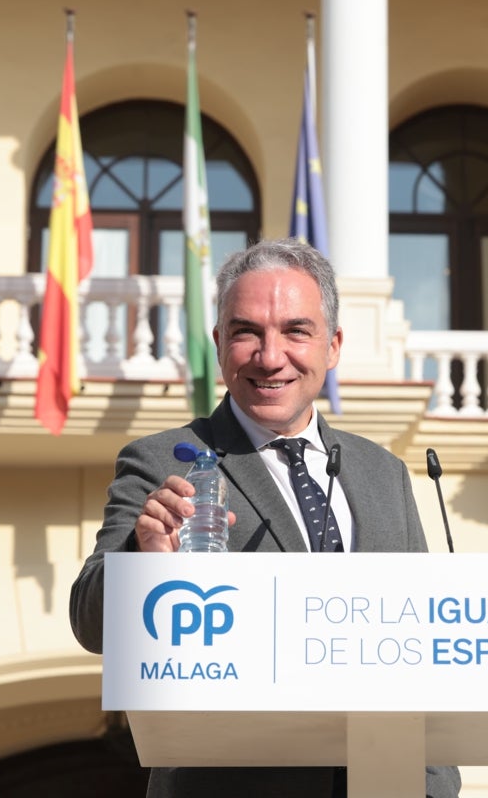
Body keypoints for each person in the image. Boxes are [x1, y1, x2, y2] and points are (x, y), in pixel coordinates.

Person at [70, 239, 461, 798]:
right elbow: (89, 621)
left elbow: (422, 647)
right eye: (247, 331)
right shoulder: (162, 460)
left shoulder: (384, 474)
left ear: (334, 345)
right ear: (219, 343)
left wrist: (435, 785)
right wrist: (144, 563)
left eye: (296, 331)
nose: (270, 356)